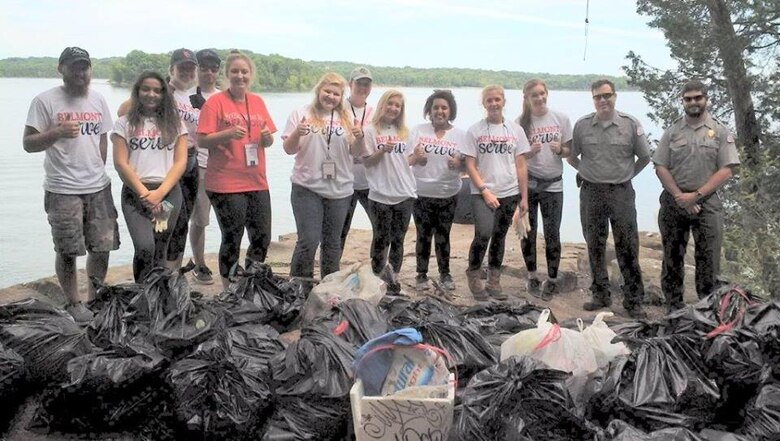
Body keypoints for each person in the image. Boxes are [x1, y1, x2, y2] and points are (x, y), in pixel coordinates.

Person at [23, 47, 119, 324]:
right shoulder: (44, 101)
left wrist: (99, 166)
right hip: (62, 188)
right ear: (61, 68)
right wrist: (56, 133)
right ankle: (73, 302)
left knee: (101, 246)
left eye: (85, 67)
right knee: (67, 249)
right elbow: (28, 144)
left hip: (98, 186)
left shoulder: (99, 99)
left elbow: (102, 137)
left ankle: (95, 297)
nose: (81, 72)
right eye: (75, 67)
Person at [653, 80, 740, 312]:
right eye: (688, 98)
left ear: (705, 99)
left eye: (697, 98)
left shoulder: (720, 131)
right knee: (672, 256)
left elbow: (727, 169)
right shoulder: (672, 132)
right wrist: (681, 196)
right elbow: (660, 165)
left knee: (709, 260)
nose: (693, 102)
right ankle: (674, 308)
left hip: (708, 202)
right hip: (674, 200)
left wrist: (697, 196)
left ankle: (707, 310)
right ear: (682, 101)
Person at [568, 79, 651, 319]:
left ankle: (634, 300)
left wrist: (625, 176)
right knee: (594, 243)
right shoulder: (582, 126)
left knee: (627, 245)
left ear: (615, 96)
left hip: (621, 193)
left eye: (607, 95)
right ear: (593, 99)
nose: (603, 100)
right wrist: (587, 172)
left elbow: (644, 157)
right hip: (591, 192)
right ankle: (600, 294)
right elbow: (573, 158)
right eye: (598, 97)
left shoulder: (630, 124)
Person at [197, 50, 276, 289]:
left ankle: (252, 283)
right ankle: (229, 287)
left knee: (262, 236)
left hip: (256, 180)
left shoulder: (258, 101)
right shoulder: (215, 103)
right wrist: (228, 134)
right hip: (225, 182)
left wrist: (265, 138)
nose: (239, 76)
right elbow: (202, 140)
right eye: (235, 71)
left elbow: (269, 141)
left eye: (244, 71)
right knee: (233, 236)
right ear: (227, 75)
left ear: (250, 75)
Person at [282, 72, 364, 280]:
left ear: (341, 96)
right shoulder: (301, 113)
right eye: (327, 91)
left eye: (336, 94)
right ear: (319, 90)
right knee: (308, 240)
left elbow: (356, 153)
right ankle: (299, 288)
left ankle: (329, 288)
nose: (331, 97)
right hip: (306, 187)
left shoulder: (347, 117)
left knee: (332, 243)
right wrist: (297, 133)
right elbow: (289, 149)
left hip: (340, 190)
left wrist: (359, 137)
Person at [112, 71, 188, 283]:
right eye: (146, 89)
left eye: (157, 90)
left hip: (167, 194)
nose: (151, 94)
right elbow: (120, 163)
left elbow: (180, 162)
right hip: (137, 195)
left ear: (164, 94)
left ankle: (158, 295)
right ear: (137, 92)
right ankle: (142, 295)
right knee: (145, 246)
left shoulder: (175, 124)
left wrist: (160, 193)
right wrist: (145, 194)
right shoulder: (124, 123)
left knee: (160, 247)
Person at [464, 85, 530, 301]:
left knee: (500, 237)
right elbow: (470, 165)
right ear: (484, 104)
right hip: (482, 192)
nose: (493, 104)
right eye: (489, 100)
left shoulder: (515, 130)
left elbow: (520, 165)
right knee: (483, 233)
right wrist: (484, 190)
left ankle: (494, 279)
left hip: (509, 191)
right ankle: (474, 275)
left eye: (497, 100)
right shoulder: (475, 131)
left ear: (503, 102)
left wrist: (524, 197)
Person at [516, 79, 572, 300]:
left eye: (542, 94)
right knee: (528, 232)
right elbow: (516, 157)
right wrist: (529, 153)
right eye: (534, 96)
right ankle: (532, 275)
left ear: (547, 94)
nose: (539, 99)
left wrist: (561, 149)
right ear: (527, 99)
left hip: (553, 185)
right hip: (529, 184)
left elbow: (570, 150)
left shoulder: (561, 118)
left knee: (552, 233)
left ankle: (552, 278)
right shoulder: (520, 123)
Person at [409, 90, 467, 292]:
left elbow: (468, 165)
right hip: (421, 192)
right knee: (423, 235)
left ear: (450, 110)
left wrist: (459, 164)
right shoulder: (418, 130)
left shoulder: (461, 135)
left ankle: (445, 273)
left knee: (443, 235)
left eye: (444, 107)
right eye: (435, 107)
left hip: (448, 193)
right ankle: (421, 274)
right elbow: (407, 160)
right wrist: (417, 158)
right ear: (429, 110)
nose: (439, 111)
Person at [362, 90, 417, 293]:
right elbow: (367, 162)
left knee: (398, 240)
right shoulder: (370, 131)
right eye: (390, 104)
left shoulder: (405, 131)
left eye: (398, 106)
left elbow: (407, 162)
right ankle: (376, 276)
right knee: (380, 238)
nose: (393, 108)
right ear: (382, 105)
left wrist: (418, 158)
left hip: (404, 193)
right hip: (380, 195)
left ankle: (393, 278)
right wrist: (382, 150)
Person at [187, 49, 222, 284]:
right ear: (196, 69)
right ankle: (199, 264)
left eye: (213, 68)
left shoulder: (223, 97)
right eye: (204, 67)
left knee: (229, 220)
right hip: (196, 164)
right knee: (200, 218)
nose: (209, 72)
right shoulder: (183, 95)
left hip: (224, 166)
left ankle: (227, 262)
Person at [339, 67, 374, 257]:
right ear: (350, 84)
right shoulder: (339, 109)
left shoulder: (374, 112)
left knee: (380, 227)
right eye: (358, 83)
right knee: (340, 230)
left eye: (366, 84)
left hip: (369, 180)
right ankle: (331, 271)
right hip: (344, 180)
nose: (362, 87)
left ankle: (378, 269)